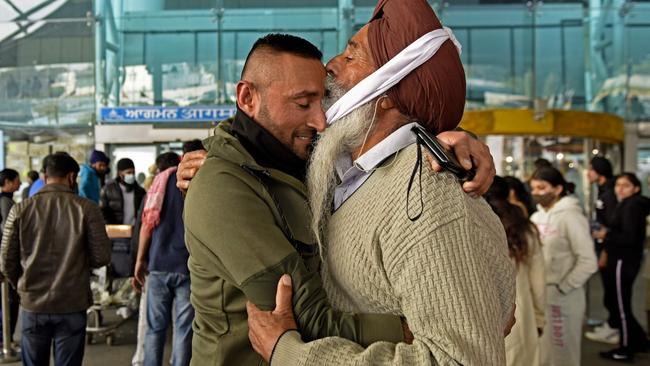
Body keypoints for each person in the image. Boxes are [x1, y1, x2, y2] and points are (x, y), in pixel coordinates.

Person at [181, 27, 502, 366]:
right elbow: (303, 316)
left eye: (323, 100)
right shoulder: (226, 186)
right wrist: (431, 328)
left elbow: (394, 130)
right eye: (303, 103)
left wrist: (457, 138)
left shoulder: (309, 159)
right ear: (247, 98)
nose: (320, 121)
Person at [0, 154, 111, 366]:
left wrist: (22, 286)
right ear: (72, 177)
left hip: (33, 304)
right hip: (72, 302)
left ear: (44, 176)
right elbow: (101, 257)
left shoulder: (20, 209)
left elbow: (6, 261)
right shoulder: (87, 208)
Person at [530, 166, 598, 366]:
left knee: (563, 354)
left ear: (558, 189)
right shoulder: (536, 218)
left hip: (563, 297)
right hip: (541, 296)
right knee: (542, 352)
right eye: (533, 188)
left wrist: (563, 287)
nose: (536, 193)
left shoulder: (571, 216)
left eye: (541, 188)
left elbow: (588, 261)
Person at [133, 150, 195, 366]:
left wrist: (140, 261)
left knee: (155, 328)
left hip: (159, 264)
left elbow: (147, 226)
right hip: (187, 267)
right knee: (184, 329)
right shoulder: (197, 181)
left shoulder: (159, 182)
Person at [485, 176, 546, 366]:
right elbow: (538, 280)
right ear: (509, 194)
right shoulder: (524, 228)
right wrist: (539, 318)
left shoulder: (471, 224)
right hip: (520, 313)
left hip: (481, 316)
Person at [598, 173, 650, 361]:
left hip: (623, 260)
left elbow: (628, 237)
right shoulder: (629, 204)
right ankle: (639, 342)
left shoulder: (632, 206)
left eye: (626, 185)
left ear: (636, 188)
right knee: (619, 303)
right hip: (624, 259)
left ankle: (626, 348)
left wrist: (606, 236)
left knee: (620, 305)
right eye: (618, 184)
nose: (620, 188)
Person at [585, 156, 620, 345]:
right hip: (604, 247)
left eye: (590, 169)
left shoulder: (609, 194)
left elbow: (611, 225)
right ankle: (612, 324)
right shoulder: (603, 191)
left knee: (613, 290)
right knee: (609, 289)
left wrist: (605, 250)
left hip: (611, 249)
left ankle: (615, 328)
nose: (587, 173)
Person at [0, 168, 21, 347]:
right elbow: (9, 233)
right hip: (4, 259)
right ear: (7, 182)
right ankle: (5, 339)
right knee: (8, 301)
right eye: (16, 181)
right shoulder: (6, 203)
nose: (20, 184)